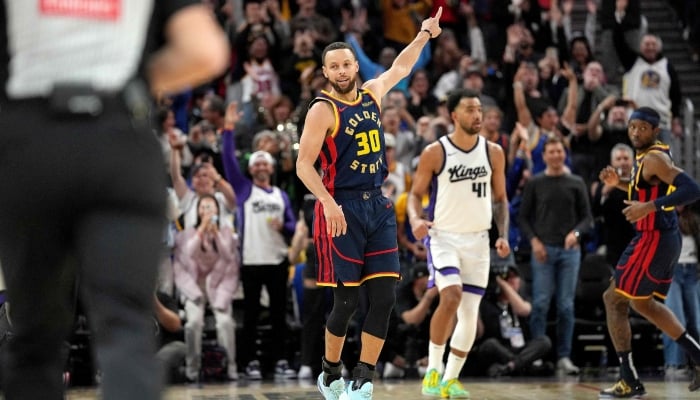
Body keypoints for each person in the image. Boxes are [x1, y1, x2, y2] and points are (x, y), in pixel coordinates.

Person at [0, 2, 228, 399]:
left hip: (31, 140)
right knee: (126, 329)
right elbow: (205, 51)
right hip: (120, 134)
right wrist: (135, 83)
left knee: (34, 338)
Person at [295, 7, 445, 400]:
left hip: (376, 206)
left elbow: (401, 67)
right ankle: (330, 373)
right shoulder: (322, 110)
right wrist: (326, 202)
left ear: (354, 67)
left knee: (384, 297)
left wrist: (425, 34)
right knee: (345, 302)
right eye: (335, 67)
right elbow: (302, 165)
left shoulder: (372, 93)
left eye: (347, 63)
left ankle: (363, 377)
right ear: (326, 73)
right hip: (340, 207)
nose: (343, 70)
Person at [408, 88, 511, 398]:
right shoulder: (435, 152)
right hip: (444, 237)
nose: (477, 115)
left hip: (479, 240)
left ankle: (451, 379)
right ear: (453, 115)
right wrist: (415, 220)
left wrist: (502, 234)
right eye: (469, 109)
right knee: (450, 296)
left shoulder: (494, 152)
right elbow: (414, 195)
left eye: (479, 109)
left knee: (469, 311)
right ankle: (433, 370)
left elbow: (501, 199)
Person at [598, 107, 700, 398]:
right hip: (659, 237)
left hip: (655, 238)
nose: (635, 133)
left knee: (613, 300)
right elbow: (646, 193)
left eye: (642, 128)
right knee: (643, 305)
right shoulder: (645, 158)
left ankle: (629, 380)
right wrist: (616, 184)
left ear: (655, 131)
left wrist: (649, 208)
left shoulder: (655, 158)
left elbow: (692, 189)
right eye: (632, 127)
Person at [517, 135, 593, 376]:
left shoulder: (576, 182)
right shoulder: (535, 183)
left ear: (564, 153)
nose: (556, 155)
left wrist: (577, 233)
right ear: (544, 156)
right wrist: (534, 241)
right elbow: (522, 217)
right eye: (551, 152)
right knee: (540, 304)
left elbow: (587, 218)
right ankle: (537, 355)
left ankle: (563, 357)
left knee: (565, 306)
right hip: (543, 251)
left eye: (559, 151)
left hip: (570, 251)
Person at [173, 194, 239, 382]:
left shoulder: (227, 233)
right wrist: (202, 229)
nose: (207, 211)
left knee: (225, 323)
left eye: (211, 206)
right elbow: (187, 253)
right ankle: (192, 369)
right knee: (193, 323)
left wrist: (216, 233)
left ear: (218, 210)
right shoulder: (186, 233)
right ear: (197, 210)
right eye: (203, 207)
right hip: (194, 286)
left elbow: (229, 258)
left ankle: (230, 366)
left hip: (219, 286)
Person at [475, 265, 552, 378]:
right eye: (508, 278)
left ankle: (511, 367)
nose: (512, 281)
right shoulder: (487, 304)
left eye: (515, 277)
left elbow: (523, 310)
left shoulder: (522, 301)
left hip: (519, 349)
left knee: (544, 341)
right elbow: (480, 334)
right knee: (489, 344)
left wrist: (506, 286)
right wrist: (500, 283)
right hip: (499, 349)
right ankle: (523, 367)